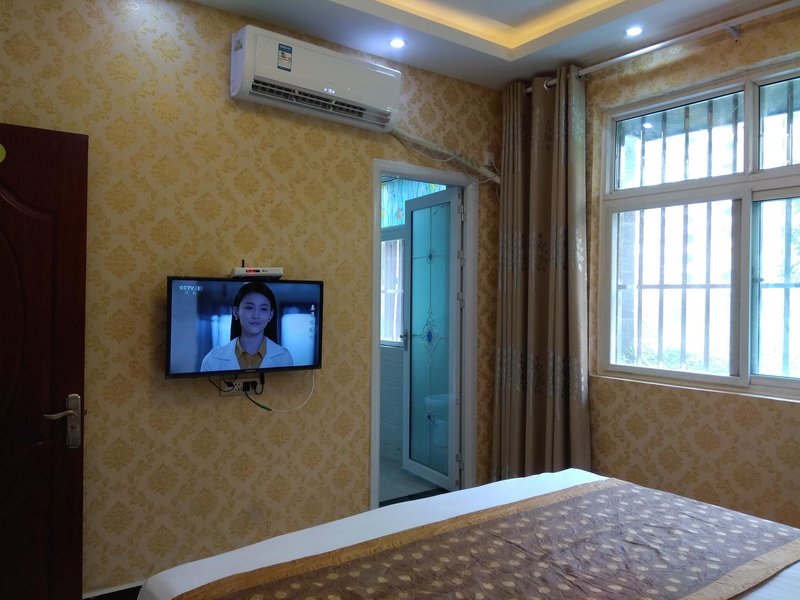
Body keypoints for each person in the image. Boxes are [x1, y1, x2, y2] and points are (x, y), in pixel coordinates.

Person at [201, 281, 293, 371]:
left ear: (271, 315)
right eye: (249, 307)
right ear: (236, 312)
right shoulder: (213, 359)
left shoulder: (283, 357)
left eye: (263, 309)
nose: (256, 315)